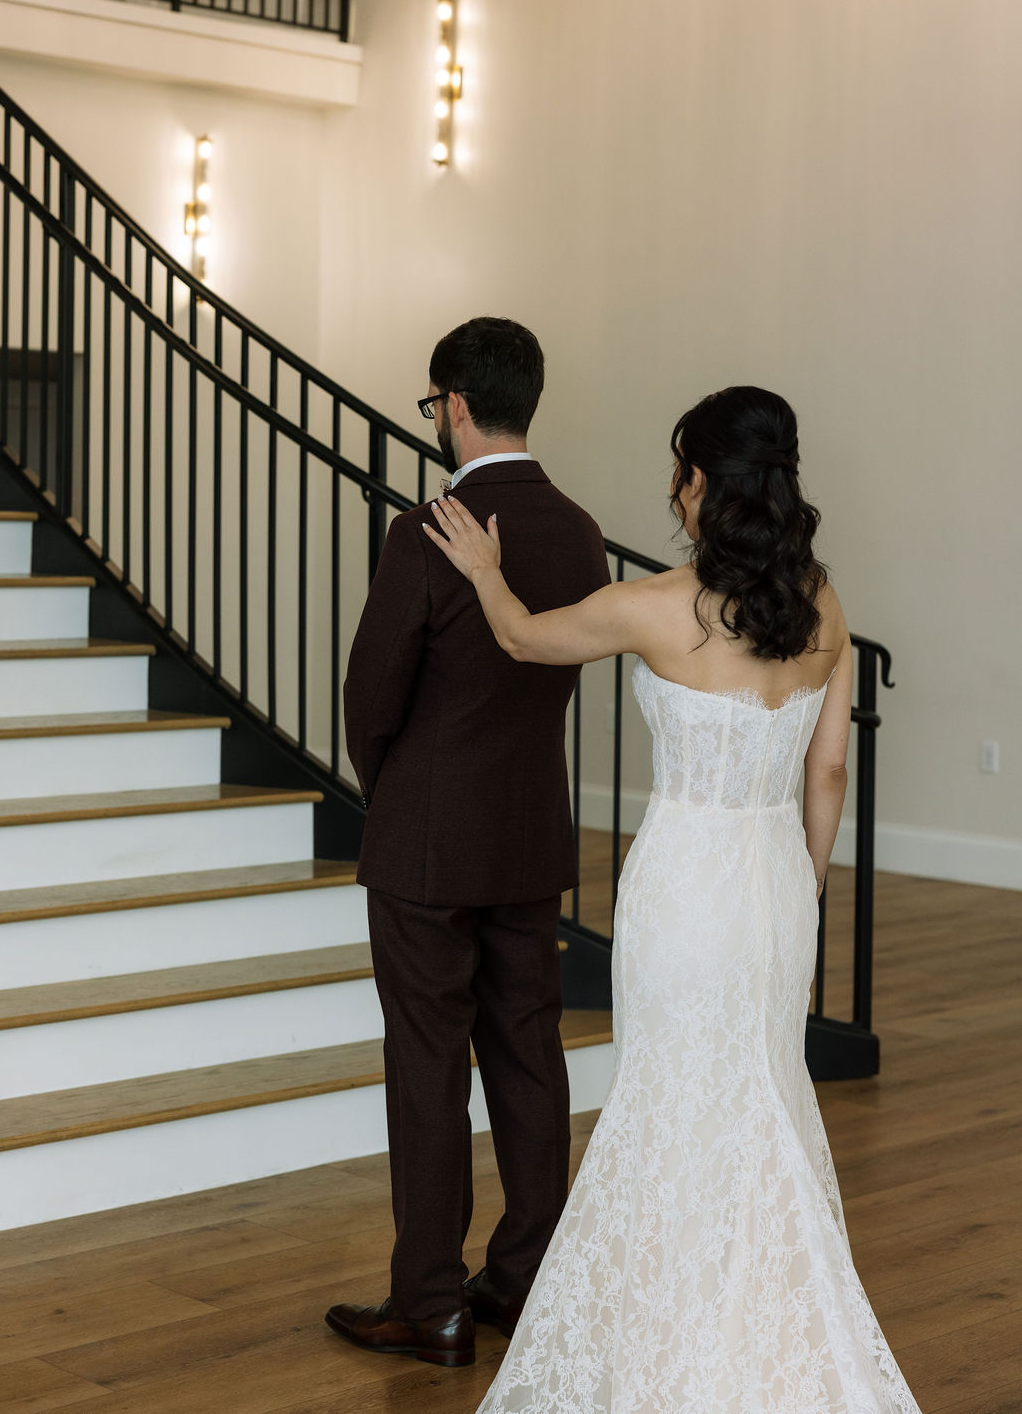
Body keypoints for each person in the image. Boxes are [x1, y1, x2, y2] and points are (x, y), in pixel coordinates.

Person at [425, 386, 922, 1413]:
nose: (673, 487)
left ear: (699, 483)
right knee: (763, 1109)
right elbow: (826, 775)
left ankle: (667, 1361)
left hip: (687, 888)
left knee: (665, 1111)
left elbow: (520, 637)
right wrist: (803, 881)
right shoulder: (823, 603)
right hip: (775, 889)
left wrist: (482, 568)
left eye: (679, 469)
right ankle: (761, 1353)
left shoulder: (655, 604)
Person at [328, 317, 611, 1370]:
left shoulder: (429, 529)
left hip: (428, 839)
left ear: (452, 401)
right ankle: (529, 1270)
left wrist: (392, 788)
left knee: (427, 1060)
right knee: (528, 1052)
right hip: (531, 827)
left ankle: (430, 1299)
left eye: (431, 405)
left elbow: (371, 693)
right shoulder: (579, 530)